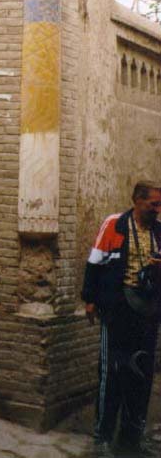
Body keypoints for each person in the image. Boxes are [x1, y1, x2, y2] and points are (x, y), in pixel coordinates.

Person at [82, 181, 161, 454]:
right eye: (153, 204)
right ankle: (102, 438)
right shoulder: (114, 224)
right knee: (111, 373)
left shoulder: (159, 232)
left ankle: (132, 439)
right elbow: (94, 263)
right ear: (137, 200)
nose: (157, 210)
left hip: (147, 313)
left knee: (142, 375)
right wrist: (90, 299)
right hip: (117, 311)